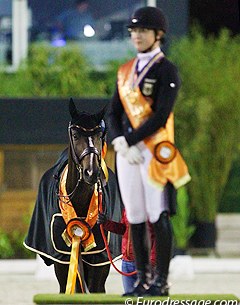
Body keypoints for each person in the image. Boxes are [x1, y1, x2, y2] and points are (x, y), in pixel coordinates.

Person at [107, 6, 191, 297]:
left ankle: (160, 280)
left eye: (142, 31)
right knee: (137, 216)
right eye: (133, 31)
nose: (137, 36)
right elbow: (113, 112)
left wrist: (129, 140)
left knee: (158, 215)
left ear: (158, 35)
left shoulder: (167, 70)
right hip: (128, 154)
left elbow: (160, 115)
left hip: (155, 152)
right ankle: (142, 280)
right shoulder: (125, 72)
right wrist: (118, 140)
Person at [97, 209, 156, 294]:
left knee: (146, 298)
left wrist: (152, 261)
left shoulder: (151, 208)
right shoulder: (128, 208)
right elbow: (124, 229)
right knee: (130, 298)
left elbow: (159, 236)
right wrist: (106, 223)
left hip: (145, 264)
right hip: (127, 263)